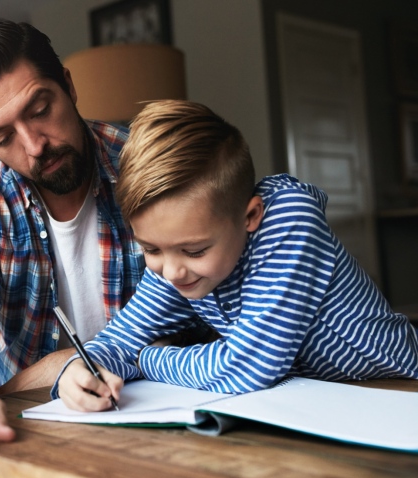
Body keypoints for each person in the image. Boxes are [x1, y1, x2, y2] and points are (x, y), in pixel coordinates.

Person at [0, 18, 205, 478]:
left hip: (178, 412)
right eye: (2, 138)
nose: (35, 146)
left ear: (68, 85)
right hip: (40, 432)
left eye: (40, 109)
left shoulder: (149, 167)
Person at [55, 99, 418, 412]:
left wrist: (147, 357)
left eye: (195, 250)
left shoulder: (288, 221)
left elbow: (245, 367)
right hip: (323, 403)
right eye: (150, 249)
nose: (172, 271)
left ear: (250, 217)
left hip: (396, 387)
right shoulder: (177, 259)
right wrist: (80, 368)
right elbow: (119, 339)